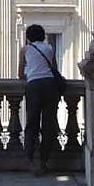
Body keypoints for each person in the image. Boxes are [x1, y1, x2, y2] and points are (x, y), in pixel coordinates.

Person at [18, 23, 62, 175]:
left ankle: (29, 159)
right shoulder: (49, 48)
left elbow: (20, 74)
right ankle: (43, 161)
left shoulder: (25, 50)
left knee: (32, 122)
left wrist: (31, 72)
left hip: (34, 86)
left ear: (28, 37)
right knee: (49, 123)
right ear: (43, 36)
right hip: (50, 86)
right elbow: (54, 69)